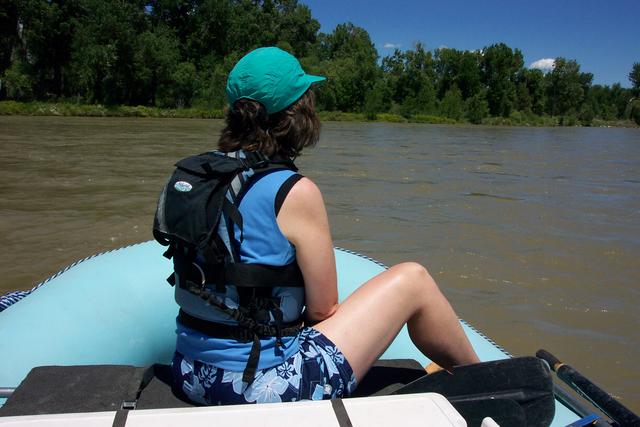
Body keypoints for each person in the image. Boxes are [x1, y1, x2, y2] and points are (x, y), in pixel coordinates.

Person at [170, 46, 480, 405]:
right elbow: (321, 311)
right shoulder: (295, 191)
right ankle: (488, 379)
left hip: (190, 373)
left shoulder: (196, 176)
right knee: (413, 279)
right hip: (258, 388)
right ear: (297, 115)